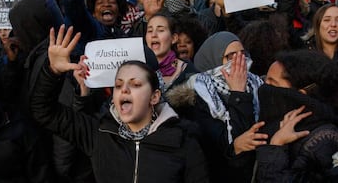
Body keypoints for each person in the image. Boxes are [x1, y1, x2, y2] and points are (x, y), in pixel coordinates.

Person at [29, 25, 210, 183]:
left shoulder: (183, 142)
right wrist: (52, 71)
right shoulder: (100, 134)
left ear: (154, 96)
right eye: (118, 84)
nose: (124, 90)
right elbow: (43, 111)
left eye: (136, 84)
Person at [167, 31, 265, 182]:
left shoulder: (257, 86)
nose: (239, 61)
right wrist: (238, 93)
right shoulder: (198, 97)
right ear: (213, 60)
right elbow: (230, 145)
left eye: (242, 54)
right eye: (230, 56)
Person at [256, 49, 338, 182]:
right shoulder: (275, 124)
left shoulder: (323, 140)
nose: (265, 89)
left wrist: (277, 145)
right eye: (266, 80)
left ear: (299, 95)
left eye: (273, 83)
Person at [145, 12, 198, 96]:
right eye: (150, 31)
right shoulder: (140, 71)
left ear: (173, 38)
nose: (153, 35)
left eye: (160, 30)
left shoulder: (188, 72)